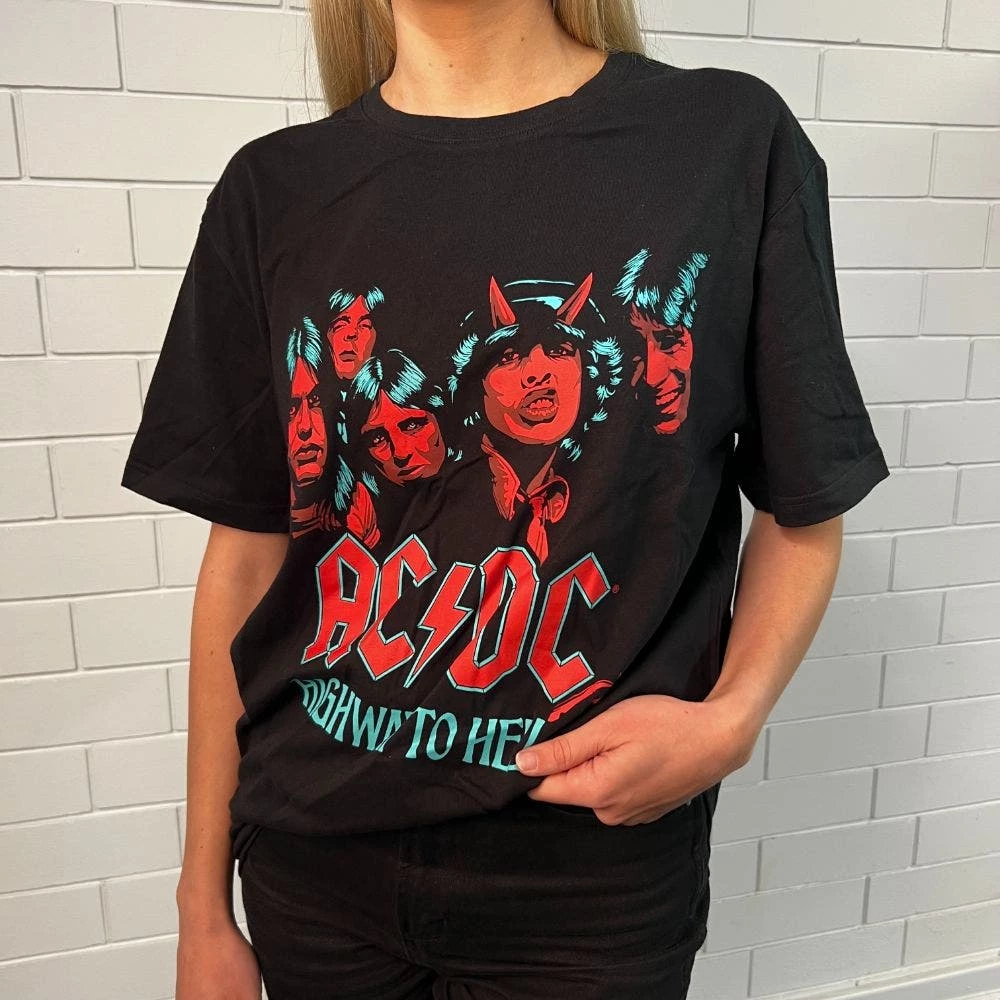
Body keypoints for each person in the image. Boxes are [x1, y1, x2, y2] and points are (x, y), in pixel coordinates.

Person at [119, 1, 892, 997]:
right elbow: (245, 559)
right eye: (512, 358)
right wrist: (200, 905)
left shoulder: (725, 142)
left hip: (588, 876)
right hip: (311, 862)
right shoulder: (275, 187)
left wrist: (735, 717)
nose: (535, 375)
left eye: (555, 356)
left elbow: (806, 500)